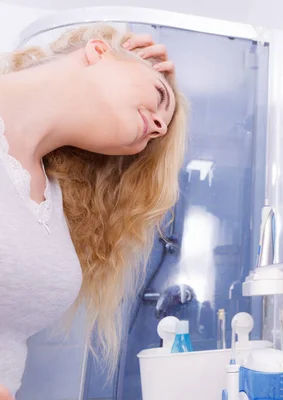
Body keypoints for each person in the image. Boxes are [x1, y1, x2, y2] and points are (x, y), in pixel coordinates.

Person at [0, 24, 187, 399]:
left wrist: (150, 83)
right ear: (99, 51)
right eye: (157, 96)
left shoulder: (52, 199)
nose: (158, 125)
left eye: (160, 130)